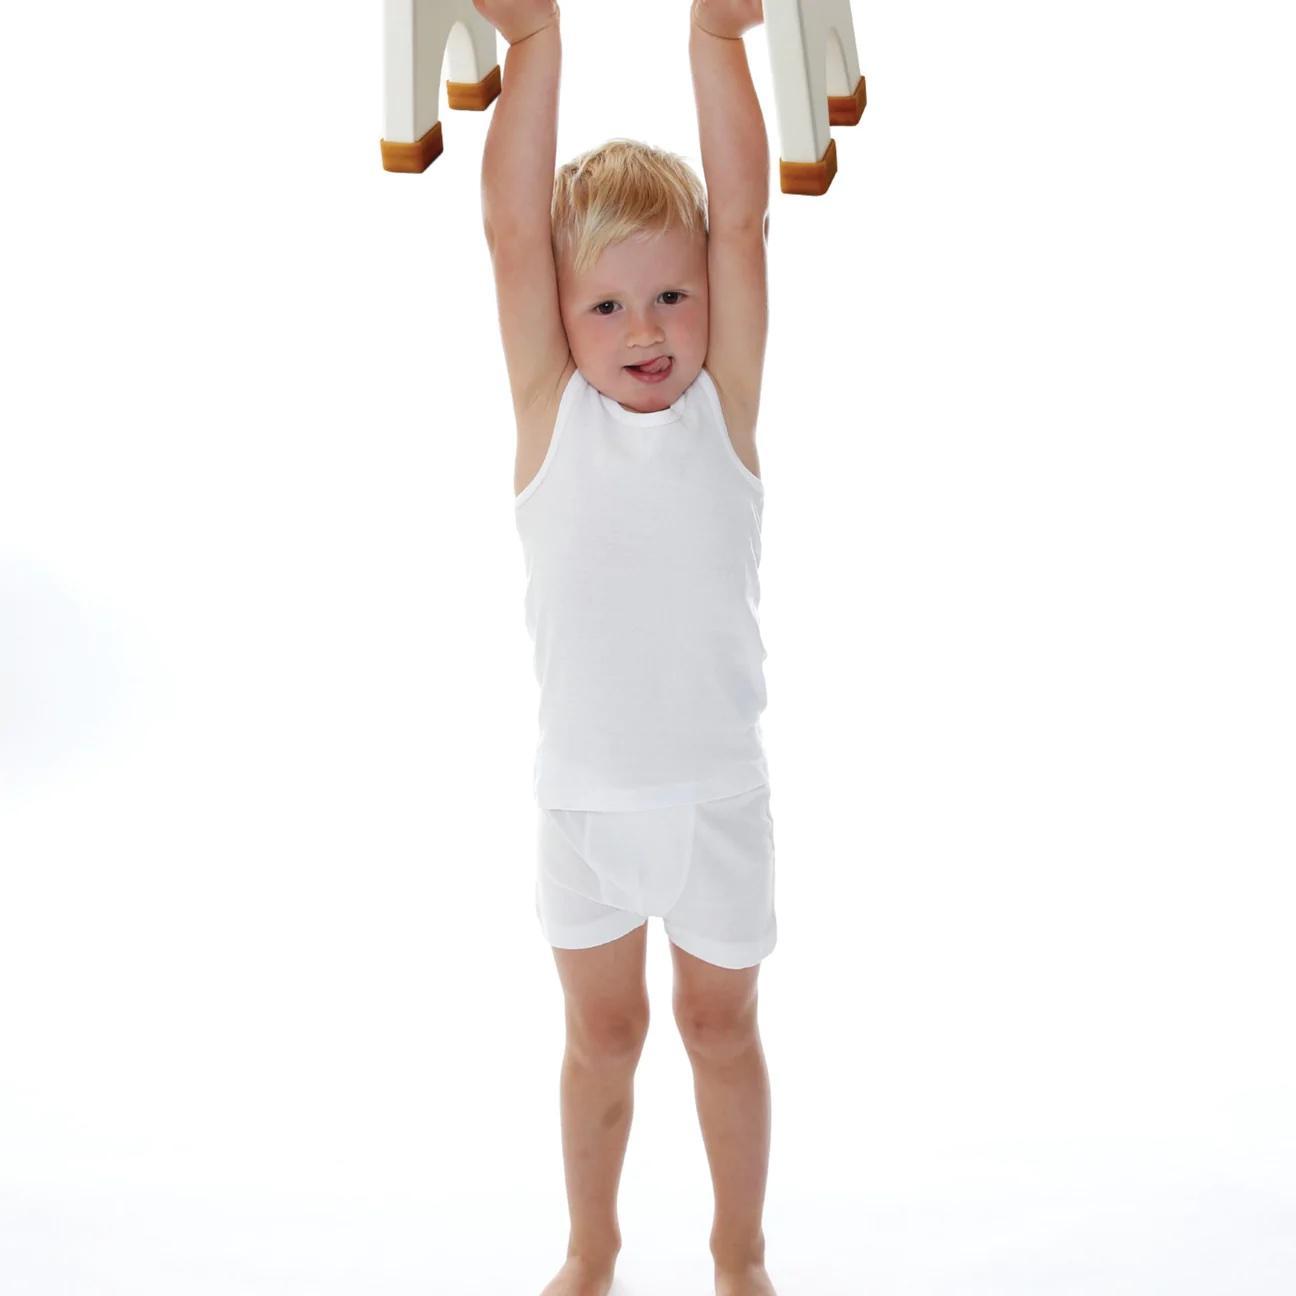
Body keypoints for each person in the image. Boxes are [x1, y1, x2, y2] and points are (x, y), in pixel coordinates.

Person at [478, 3, 779, 1293]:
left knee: (720, 1026)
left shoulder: (726, 404)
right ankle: (591, 1247)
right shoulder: (553, 412)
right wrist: (535, 46)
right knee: (602, 1036)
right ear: (560, 313)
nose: (647, 328)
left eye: (671, 292)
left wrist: (716, 41)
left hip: (716, 800)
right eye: (606, 302)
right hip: (585, 807)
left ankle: (737, 1250)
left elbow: (748, 219)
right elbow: (508, 233)